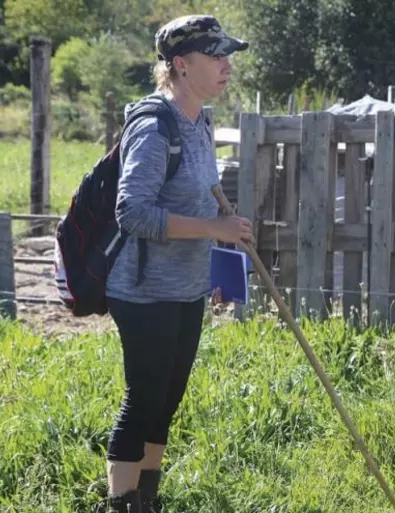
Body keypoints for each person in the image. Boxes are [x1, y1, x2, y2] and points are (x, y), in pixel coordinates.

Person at [102, 15, 253, 513]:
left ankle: (148, 498)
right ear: (182, 66)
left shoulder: (200, 119)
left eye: (227, 55)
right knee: (143, 399)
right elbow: (133, 212)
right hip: (144, 291)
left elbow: (204, 200)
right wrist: (215, 231)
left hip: (187, 285)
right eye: (217, 57)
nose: (227, 66)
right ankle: (120, 504)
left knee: (168, 399)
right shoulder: (153, 126)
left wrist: (216, 264)